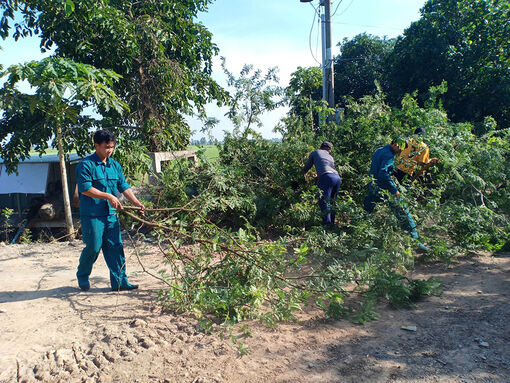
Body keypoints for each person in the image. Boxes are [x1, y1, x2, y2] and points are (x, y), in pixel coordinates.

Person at [76, 130, 145, 291]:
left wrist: (136, 202)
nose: (110, 150)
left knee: (115, 247)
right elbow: (85, 189)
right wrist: (107, 196)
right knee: (93, 247)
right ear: (96, 145)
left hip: (111, 215)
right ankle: (83, 275)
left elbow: (123, 186)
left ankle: (120, 282)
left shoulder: (114, 165)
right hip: (93, 216)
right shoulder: (86, 165)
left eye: (112, 147)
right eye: (107, 147)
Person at [363, 139, 429, 251]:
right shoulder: (388, 155)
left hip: (373, 186)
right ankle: (416, 242)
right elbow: (383, 173)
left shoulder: (379, 150)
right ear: (394, 144)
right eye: (400, 148)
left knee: (367, 210)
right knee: (403, 212)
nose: (400, 151)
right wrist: (394, 190)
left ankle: (359, 231)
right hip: (384, 189)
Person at [303, 141, 342, 226]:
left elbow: (308, 166)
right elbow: (329, 168)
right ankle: (332, 224)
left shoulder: (315, 152)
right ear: (329, 150)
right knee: (332, 201)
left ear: (320, 147)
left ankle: (326, 225)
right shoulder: (330, 157)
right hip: (337, 178)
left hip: (327, 178)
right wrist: (318, 175)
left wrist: (303, 173)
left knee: (324, 201)